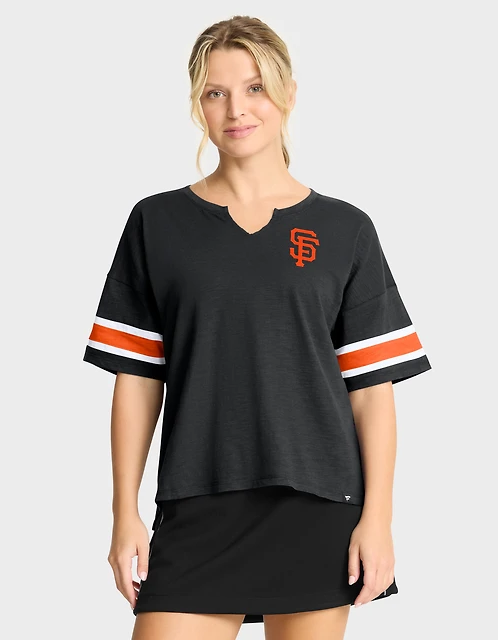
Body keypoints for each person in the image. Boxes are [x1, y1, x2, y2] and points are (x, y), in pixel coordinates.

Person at [82, 14, 432, 640]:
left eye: (254, 88)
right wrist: (123, 512)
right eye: (215, 92)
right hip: (196, 501)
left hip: (319, 505)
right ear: (199, 105)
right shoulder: (156, 223)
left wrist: (378, 518)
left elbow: (371, 391)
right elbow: (136, 379)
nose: (236, 109)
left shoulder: (345, 229)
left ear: (288, 94)